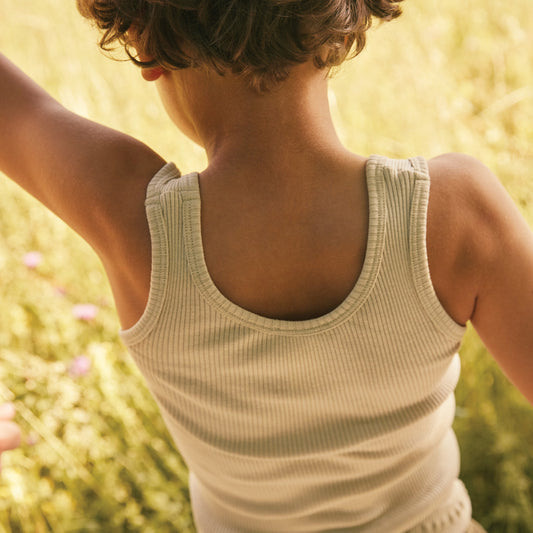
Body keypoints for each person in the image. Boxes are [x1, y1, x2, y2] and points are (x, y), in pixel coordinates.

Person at [1, 0, 532, 531]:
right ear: (339, 22)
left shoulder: (132, 218)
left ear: (144, 44)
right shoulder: (455, 214)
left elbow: (14, 112)